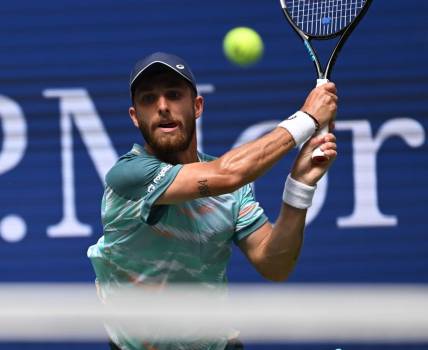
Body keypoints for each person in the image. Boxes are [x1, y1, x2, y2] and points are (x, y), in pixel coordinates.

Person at [87, 52, 338, 350]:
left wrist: (299, 186)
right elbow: (229, 174)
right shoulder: (128, 175)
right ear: (134, 116)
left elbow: (275, 265)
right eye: (148, 99)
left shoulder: (231, 188)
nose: (163, 107)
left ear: (197, 106)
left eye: (173, 94)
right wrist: (307, 118)